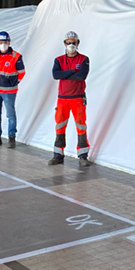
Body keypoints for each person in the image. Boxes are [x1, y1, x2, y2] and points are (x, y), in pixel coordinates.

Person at [49, 31, 90, 169]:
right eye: (68, 42)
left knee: (81, 126)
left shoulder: (84, 59)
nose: (71, 45)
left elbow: (82, 76)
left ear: (78, 43)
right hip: (63, 99)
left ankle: (83, 156)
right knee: (60, 126)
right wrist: (73, 71)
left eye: (74, 42)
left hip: (78, 98)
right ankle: (58, 155)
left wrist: (64, 74)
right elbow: (55, 75)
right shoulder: (58, 60)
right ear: (64, 44)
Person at [0, 31, 26, 149]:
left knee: (10, 115)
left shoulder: (16, 56)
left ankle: (11, 137)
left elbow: (22, 73)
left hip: (9, 92)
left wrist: (13, 82)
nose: (3, 44)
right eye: (1, 42)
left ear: (9, 42)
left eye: (5, 42)